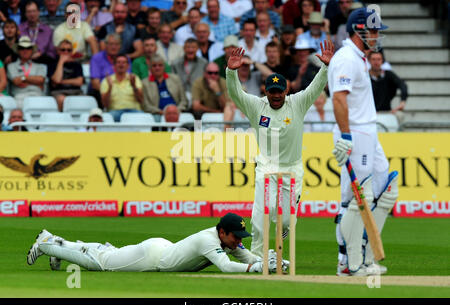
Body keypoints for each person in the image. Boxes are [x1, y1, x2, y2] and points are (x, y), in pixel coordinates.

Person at [225, 41, 333, 258]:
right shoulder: (258, 106)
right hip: (266, 167)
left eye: (279, 92)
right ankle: (256, 258)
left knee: (285, 220)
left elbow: (315, 88)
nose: (276, 96)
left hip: (292, 168)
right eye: (272, 91)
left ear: (286, 90)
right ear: (266, 90)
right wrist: (231, 72)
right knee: (259, 217)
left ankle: (282, 232)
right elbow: (236, 94)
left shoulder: (298, 103)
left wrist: (326, 68)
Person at [328, 8, 398, 277]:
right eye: (373, 30)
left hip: (367, 132)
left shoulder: (359, 58)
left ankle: (366, 255)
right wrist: (345, 136)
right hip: (355, 133)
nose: (377, 36)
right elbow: (338, 99)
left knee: (387, 189)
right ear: (358, 30)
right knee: (356, 198)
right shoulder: (347, 58)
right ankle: (347, 262)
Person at [27, 213, 287, 273]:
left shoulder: (225, 240)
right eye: (235, 237)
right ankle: (48, 242)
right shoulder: (210, 241)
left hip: (160, 249)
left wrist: (274, 262)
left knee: (107, 252)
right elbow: (227, 267)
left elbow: (246, 258)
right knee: (101, 264)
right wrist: (258, 268)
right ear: (222, 233)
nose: (238, 242)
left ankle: (63, 245)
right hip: (153, 258)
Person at [89, 33, 130, 107]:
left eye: (116, 44)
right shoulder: (96, 58)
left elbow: (128, 79)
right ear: (105, 45)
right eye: (111, 44)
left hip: (122, 94)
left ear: (120, 46)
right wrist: (111, 92)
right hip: (101, 93)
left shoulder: (125, 58)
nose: (113, 47)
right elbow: (95, 84)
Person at [142, 54, 188, 120]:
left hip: (177, 113)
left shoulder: (175, 79)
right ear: (150, 68)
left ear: (164, 67)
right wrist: (161, 112)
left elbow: (184, 101)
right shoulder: (145, 83)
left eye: (160, 65)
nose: (157, 68)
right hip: (156, 115)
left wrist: (174, 111)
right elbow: (145, 105)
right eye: (154, 66)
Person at [100, 54, 144, 122]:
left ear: (128, 66)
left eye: (124, 62)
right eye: (118, 62)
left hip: (133, 111)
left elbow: (141, 100)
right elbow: (105, 104)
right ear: (114, 66)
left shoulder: (134, 78)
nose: (121, 64)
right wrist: (110, 88)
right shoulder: (106, 80)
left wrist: (134, 86)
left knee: (143, 117)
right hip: (115, 112)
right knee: (108, 118)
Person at [7, 36, 47, 108]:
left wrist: (23, 78)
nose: (25, 50)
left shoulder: (41, 66)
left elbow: (41, 80)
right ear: (18, 50)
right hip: (19, 97)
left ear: (32, 50)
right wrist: (34, 80)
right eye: (22, 48)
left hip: (38, 95)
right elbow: (16, 81)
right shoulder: (11, 66)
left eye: (28, 48)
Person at [368, 51, 408, 121]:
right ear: (369, 61)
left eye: (378, 59)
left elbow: (402, 85)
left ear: (382, 61)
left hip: (387, 111)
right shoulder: (364, 76)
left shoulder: (388, 75)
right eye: (373, 59)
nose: (376, 62)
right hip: (369, 112)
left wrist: (402, 102)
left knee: (400, 115)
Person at [48, 39, 84, 112]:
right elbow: (57, 79)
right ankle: (63, 120)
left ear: (72, 52)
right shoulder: (52, 64)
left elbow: (79, 82)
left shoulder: (77, 65)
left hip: (76, 92)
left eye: (69, 50)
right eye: (63, 50)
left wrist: (61, 81)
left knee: (88, 100)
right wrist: (61, 62)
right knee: (62, 99)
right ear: (58, 51)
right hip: (58, 92)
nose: (66, 52)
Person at [19, 0, 56, 66]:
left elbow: (52, 53)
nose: (32, 14)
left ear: (38, 12)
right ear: (25, 14)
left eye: (34, 11)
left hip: (43, 63)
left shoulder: (47, 30)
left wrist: (41, 54)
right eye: (29, 12)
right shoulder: (20, 29)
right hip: (23, 63)